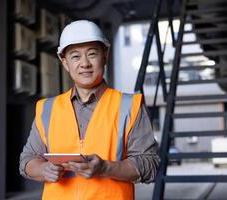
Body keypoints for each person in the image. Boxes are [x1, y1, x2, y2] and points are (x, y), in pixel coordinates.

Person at [19, 20, 159, 200]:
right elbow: (27, 159)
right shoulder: (47, 109)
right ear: (64, 62)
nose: (84, 63)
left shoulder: (129, 106)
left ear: (105, 55)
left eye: (92, 54)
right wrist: (43, 169)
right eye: (75, 56)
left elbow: (150, 164)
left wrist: (105, 168)